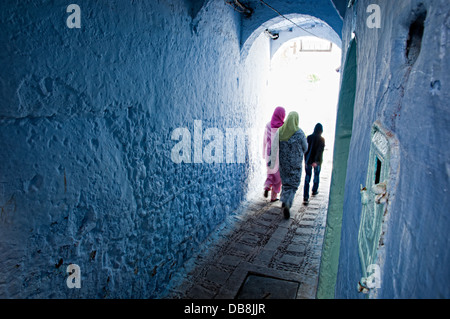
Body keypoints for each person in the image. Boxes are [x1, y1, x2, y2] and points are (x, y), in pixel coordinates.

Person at [278, 111, 308, 219]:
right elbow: (305, 148)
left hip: (283, 164)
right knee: (293, 185)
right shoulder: (300, 133)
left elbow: (274, 146)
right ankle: (287, 203)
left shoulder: (280, 131)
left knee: (285, 183)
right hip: (295, 164)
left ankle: (283, 199)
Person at [263, 106, 286, 202]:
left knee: (270, 172)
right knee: (278, 176)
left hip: (270, 153)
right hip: (279, 154)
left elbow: (265, 140)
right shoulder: (283, 127)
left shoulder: (268, 125)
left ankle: (267, 185)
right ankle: (273, 196)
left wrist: (264, 153)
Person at [303, 123, 325, 205]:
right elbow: (320, 151)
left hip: (308, 160)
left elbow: (305, 150)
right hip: (317, 162)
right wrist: (316, 161)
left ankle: (305, 196)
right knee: (316, 175)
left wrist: (306, 161)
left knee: (307, 178)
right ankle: (314, 190)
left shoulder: (309, 137)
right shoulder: (321, 139)